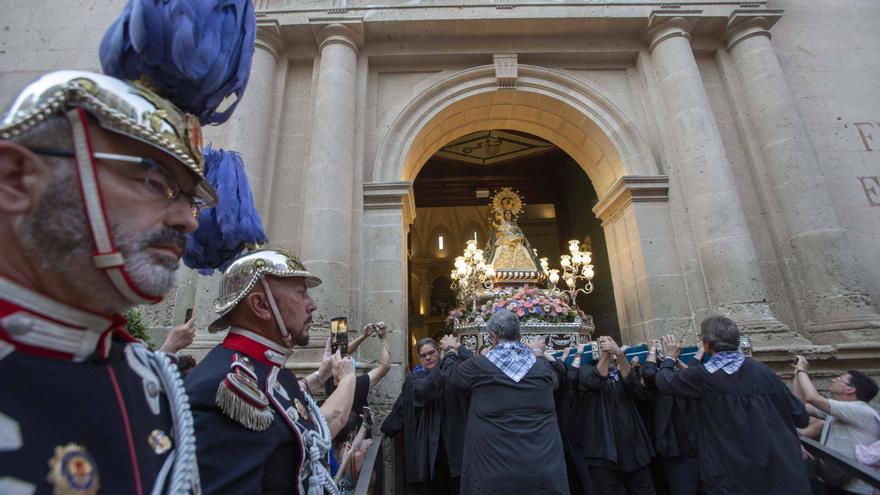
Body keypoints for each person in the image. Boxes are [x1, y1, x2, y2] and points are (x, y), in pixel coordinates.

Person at [0, 67, 223, 493]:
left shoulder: (150, 379)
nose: (187, 221)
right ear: (16, 179)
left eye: (190, 200)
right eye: (156, 182)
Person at [185, 248, 357, 494]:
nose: (312, 305)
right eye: (302, 293)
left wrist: (322, 375)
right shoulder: (226, 387)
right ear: (261, 305)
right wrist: (348, 378)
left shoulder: (271, 372)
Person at [656, 316, 811, 495]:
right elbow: (800, 416)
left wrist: (670, 357)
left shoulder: (704, 376)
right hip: (780, 472)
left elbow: (665, 381)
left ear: (706, 344)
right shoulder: (764, 372)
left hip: (732, 476)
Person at [444, 309, 568, 495]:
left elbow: (450, 375)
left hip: (493, 476)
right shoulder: (541, 369)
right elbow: (559, 375)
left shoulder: (479, 367)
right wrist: (537, 352)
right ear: (519, 335)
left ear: (493, 337)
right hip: (543, 472)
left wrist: (450, 350)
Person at [381, 337, 468, 494]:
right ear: (419, 359)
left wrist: (458, 348)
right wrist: (390, 426)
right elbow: (415, 396)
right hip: (429, 452)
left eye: (431, 353)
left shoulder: (453, 372)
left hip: (454, 448)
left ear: (439, 352)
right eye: (423, 355)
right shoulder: (416, 378)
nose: (428, 358)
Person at [578, 336, 656, 494]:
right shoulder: (585, 370)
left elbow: (635, 386)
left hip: (634, 449)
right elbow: (596, 380)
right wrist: (606, 353)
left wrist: (619, 354)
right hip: (603, 453)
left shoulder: (622, 369)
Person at [793, 354, 880, 494]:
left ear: (850, 389)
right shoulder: (839, 410)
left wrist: (802, 370)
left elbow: (813, 398)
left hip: (857, 489)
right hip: (834, 481)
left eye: (839, 379)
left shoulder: (861, 411)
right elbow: (799, 405)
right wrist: (798, 373)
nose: (833, 380)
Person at [641, 337, 703, 495]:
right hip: (676, 449)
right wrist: (654, 351)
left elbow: (692, 371)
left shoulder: (685, 377)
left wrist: (673, 358)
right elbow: (648, 373)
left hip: (695, 445)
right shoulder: (660, 380)